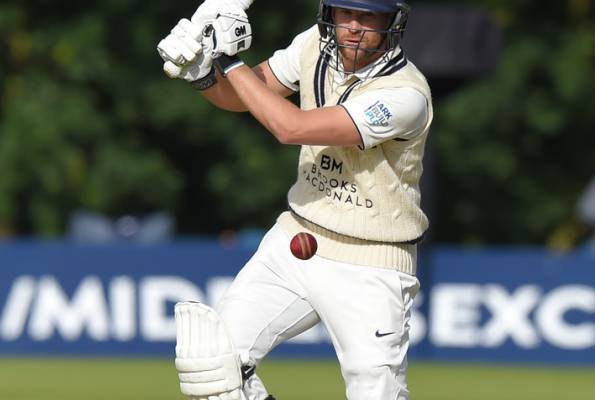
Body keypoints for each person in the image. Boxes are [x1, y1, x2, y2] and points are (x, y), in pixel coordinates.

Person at [157, 1, 429, 399]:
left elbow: (291, 127)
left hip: (372, 262)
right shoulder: (313, 44)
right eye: (346, 13)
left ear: (392, 21)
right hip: (296, 238)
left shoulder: (405, 95)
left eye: (368, 16)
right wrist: (203, 72)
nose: (354, 26)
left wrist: (229, 60)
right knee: (212, 364)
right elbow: (244, 96)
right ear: (329, 13)